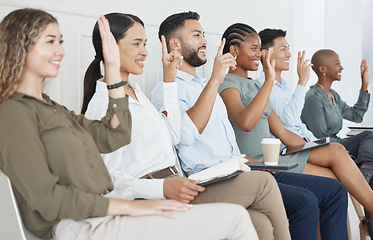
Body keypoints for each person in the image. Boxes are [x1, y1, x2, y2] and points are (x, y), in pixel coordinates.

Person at [0, 8, 259, 240]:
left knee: (241, 218)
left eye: (61, 42)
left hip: (107, 212)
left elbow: (115, 135)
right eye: (50, 42)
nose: (61, 51)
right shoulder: (13, 113)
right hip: (86, 224)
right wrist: (134, 206)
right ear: (19, 46)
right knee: (235, 218)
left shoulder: (51, 107)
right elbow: (47, 199)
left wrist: (112, 70)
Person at [81, 12, 286, 240]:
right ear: (111, 48)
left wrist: (169, 80)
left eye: (146, 44)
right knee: (264, 184)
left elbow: (173, 136)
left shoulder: (136, 93)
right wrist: (162, 189)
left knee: (260, 224)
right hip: (153, 197)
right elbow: (107, 184)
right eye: (136, 44)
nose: (145, 52)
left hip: (175, 184)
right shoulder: (103, 105)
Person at [151, 13, 347, 240]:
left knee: (331, 192)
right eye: (197, 35)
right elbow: (185, 136)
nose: (205, 40)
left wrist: (247, 161)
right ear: (175, 43)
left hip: (237, 169)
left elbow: (228, 145)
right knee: (304, 201)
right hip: (208, 179)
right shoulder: (169, 91)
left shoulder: (205, 85)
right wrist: (215, 80)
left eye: (204, 34)